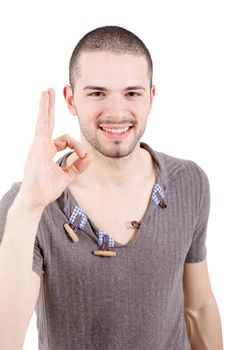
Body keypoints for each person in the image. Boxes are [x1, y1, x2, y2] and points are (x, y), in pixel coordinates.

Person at [0, 25, 223, 350]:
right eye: (97, 93)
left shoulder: (189, 183)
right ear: (71, 99)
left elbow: (198, 309)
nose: (116, 112)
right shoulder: (26, 206)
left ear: (151, 98)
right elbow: (7, 337)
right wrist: (29, 206)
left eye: (132, 93)